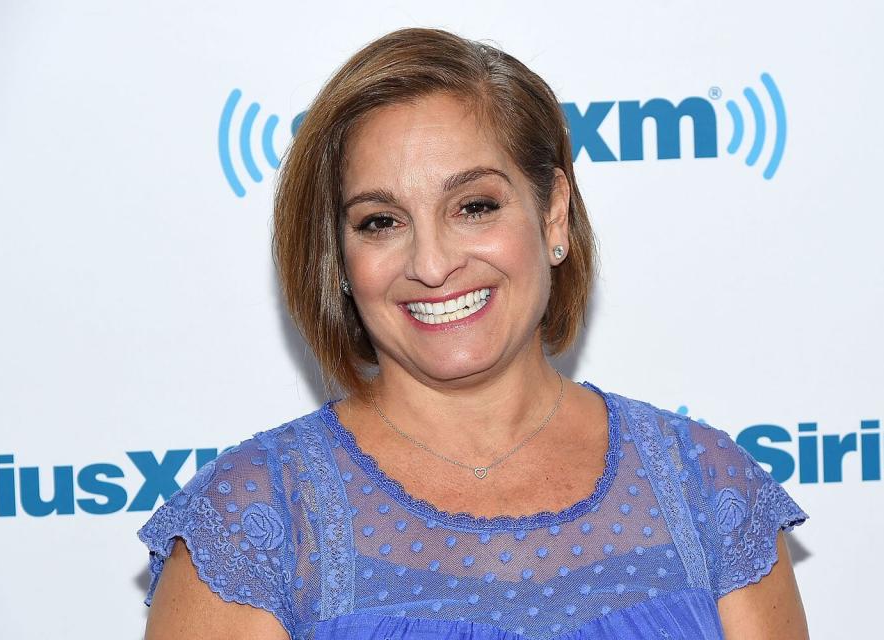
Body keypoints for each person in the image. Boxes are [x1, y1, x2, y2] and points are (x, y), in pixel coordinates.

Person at [137, 27, 809, 640]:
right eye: (380, 221)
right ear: (339, 259)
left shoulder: (707, 490)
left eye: (474, 207)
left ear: (553, 215)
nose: (432, 265)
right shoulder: (259, 522)